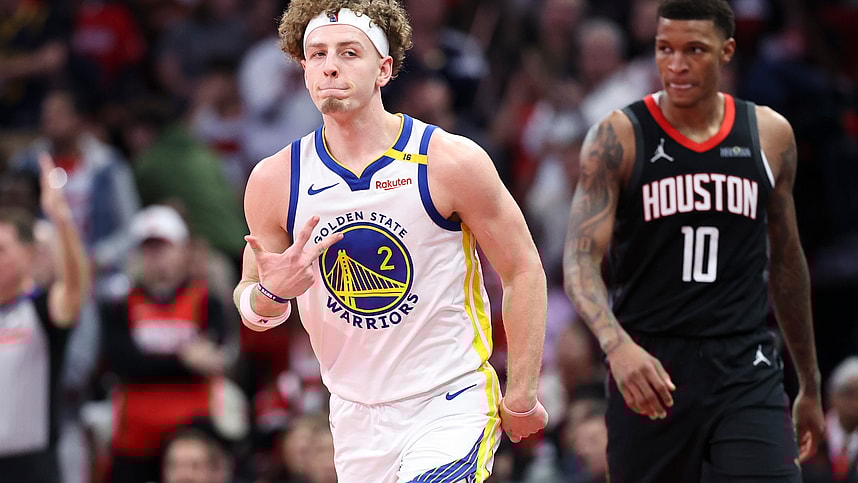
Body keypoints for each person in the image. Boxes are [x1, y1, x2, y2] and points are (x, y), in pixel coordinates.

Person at [233, 1, 548, 481]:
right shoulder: (276, 179)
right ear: (303, 68)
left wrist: (521, 392)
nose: (329, 65)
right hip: (354, 413)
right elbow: (254, 309)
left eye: (348, 53)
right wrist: (272, 293)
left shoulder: (449, 160)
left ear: (383, 69)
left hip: (450, 398)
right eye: (316, 54)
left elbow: (523, 268)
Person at [562, 0, 826, 481]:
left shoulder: (769, 134)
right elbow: (580, 262)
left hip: (745, 363)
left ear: (726, 52)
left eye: (694, 50)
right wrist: (614, 345)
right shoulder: (618, 136)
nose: (676, 65)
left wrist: (809, 382)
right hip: (649, 362)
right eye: (665, 49)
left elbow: (788, 263)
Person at [100, 204, 230, 483]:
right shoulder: (120, 305)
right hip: (135, 439)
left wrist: (150, 363)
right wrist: (183, 360)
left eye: (164, 247)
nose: (156, 257)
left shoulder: (208, 301)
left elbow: (214, 360)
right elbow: (124, 364)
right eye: (149, 249)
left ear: (184, 250)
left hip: (192, 439)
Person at [0, 153, 89, 483]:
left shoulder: (38, 309)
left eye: (1, 250)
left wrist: (61, 219)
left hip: (31, 467)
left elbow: (74, 286)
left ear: (29, 254)